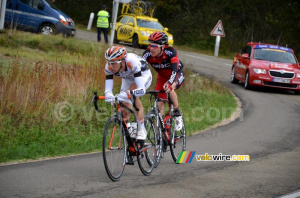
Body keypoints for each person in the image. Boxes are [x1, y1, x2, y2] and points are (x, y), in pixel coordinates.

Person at [104, 46, 152, 141]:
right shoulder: (108, 67)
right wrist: (108, 95)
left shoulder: (132, 62)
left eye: (113, 63)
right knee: (123, 109)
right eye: (108, 62)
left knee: (132, 96)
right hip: (127, 79)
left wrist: (128, 94)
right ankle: (131, 128)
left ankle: (141, 128)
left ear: (122, 61)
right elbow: (108, 89)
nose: (110, 66)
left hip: (142, 77)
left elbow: (141, 89)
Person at [142, 31, 185, 131]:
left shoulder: (171, 52)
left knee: (170, 89)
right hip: (162, 77)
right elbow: (141, 70)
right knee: (159, 104)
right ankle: (160, 134)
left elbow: (174, 70)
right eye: (150, 45)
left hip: (176, 75)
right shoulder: (147, 54)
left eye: (154, 46)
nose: (151, 48)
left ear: (162, 46)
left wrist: (170, 83)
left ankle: (177, 113)